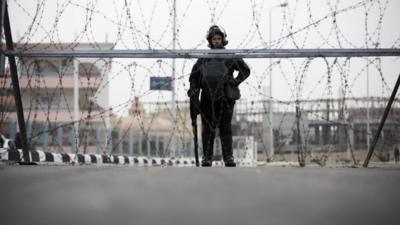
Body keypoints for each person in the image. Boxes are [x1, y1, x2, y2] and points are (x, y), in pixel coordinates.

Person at [188, 25, 250, 167]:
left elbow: (245, 70)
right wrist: (193, 90)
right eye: (214, 39)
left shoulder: (229, 56)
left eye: (219, 38)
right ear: (210, 41)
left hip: (225, 98)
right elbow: (194, 76)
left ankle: (228, 158)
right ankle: (207, 158)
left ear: (223, 40)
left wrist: (235, 82)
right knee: (207, 128)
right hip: (207, 97)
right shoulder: (204, 58)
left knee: (225, 127)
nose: (216, 41)